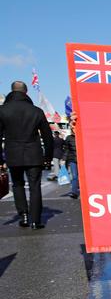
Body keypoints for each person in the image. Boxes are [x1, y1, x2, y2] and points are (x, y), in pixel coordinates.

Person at [0, 81, 53, 229]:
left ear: (12, 91)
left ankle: (23, 214)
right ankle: (35, 220)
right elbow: (47, 136)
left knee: (17, 184)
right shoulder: (36, 111)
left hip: (13, 153)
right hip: (33, 153)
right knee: (35, 186)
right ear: (26, 92)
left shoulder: (3, 110)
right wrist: (47, 157)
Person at [60, 127, 79, 198]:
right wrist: (63, 159)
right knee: (74, 176)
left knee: (81, 176)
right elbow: (66, 150)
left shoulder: (82, 136)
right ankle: (74, 192)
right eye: (73, 128)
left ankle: (83, 190)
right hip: (72, 159)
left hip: (82, 160)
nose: (74, 129)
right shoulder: (69, 138)